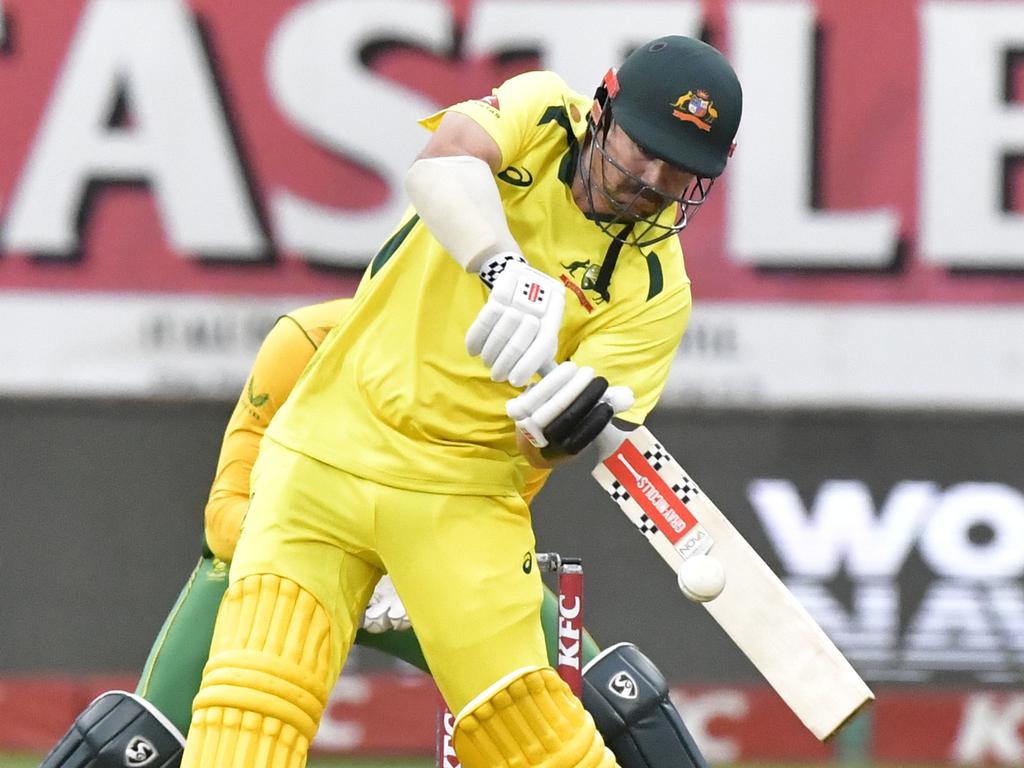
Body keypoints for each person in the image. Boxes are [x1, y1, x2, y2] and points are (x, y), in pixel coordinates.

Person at [181, 34, 741, 768]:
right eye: (645, 148)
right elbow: (443, 164)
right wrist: (504, 267)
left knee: (541, 746)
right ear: (601, 109)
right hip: (325, 449)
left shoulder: (656, 295)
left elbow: (552, 446)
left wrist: (568, 418)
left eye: (681, 169)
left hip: (464, 501)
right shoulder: (542, 112)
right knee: (248, 713)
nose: (654, 179)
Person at [39, 298, 708, 768]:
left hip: (435, 567)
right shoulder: (305, 340)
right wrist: (350, 561)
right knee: (139, 741)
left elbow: (500, 501)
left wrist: (405, 563)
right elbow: (225, 516)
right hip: (289, 556)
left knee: (615, 701)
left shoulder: (495, 373)